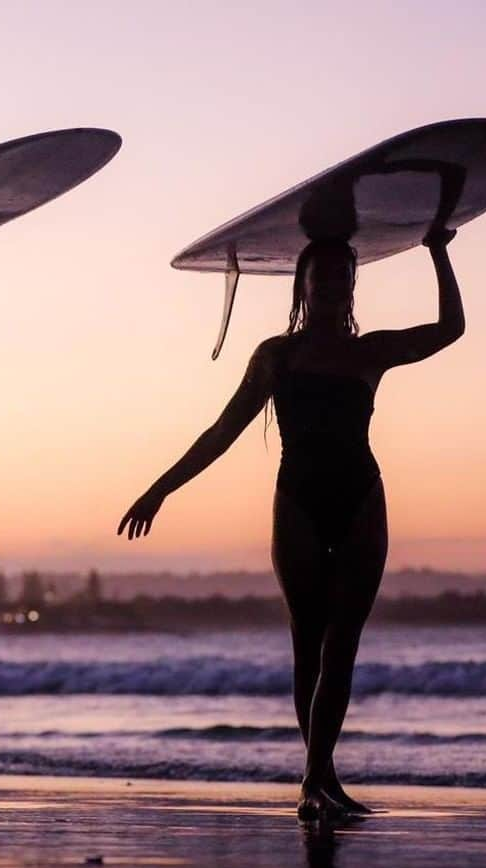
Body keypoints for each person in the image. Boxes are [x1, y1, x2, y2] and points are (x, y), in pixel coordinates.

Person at [118, 229, 463, 820]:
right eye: (321, 273)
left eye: (341, 274)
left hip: (360, 498)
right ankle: (318, 780)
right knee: (308, 645)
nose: (331, 282)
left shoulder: (369, 352)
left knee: (343, 648)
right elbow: (222, 432)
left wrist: (438, 250)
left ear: (352, 285)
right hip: (298, 500)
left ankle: (314, 779)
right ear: (302, 283)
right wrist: (159, 490)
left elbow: (448, 329)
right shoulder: (277, 356)